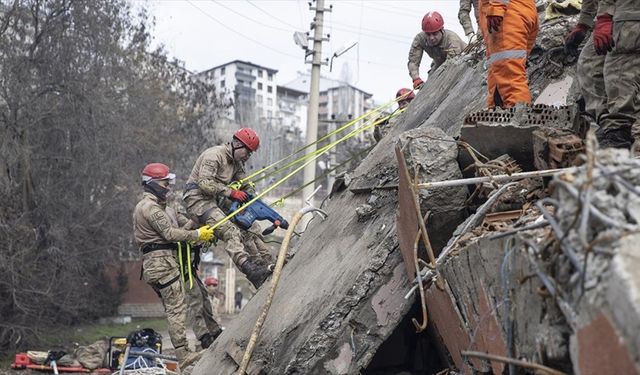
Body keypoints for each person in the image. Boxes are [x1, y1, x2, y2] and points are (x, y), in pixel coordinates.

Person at [132, 163, 213, 371]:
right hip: (162, 263)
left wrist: (197, 223)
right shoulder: (149, 208)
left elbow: (179, 228)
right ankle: (183, 354)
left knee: (175, 306)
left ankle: (183, 351)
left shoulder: (163, 208)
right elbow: (169, 234)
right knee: (177, 309)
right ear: (152, 184)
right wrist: (196, 235)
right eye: (165, 182)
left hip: (160, 263)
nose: (168, 186)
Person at [183, 128, 272, 288]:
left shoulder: (237, 163)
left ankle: (266, 262)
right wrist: (231, 192)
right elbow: (204, 184)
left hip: (217, 199)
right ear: (237, 144)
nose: (248, 156)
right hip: (198, 199)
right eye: (247, 152)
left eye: (251, 154)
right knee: (230, 231)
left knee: (249, 223)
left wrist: (252, 199)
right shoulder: (214, 155)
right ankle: (251, 271)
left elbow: (245, 183)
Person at [166, 197, 224, 350]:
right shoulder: (164, 217)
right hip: (179, 266)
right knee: (195, 299)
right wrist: (196, 230)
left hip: (188, 266)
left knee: (204, 297)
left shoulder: (174, 213)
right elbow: (181, 233)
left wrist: (201, 230)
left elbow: (187, 226)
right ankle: (203, 336)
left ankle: (214, 330)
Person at [590, 0, 640, 150]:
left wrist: (604, 17)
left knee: (619, 74)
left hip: (630, 19)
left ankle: (617, 137)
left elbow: (516, 58)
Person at [479, 0, 538, 108]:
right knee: (499, 71)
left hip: (506, 18)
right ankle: (496, 112)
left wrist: (496, 8)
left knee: (510, 77)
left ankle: (519, 119)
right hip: (522, 10)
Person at [565, 0, 607, 128]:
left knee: (589, 64)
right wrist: (583, 24)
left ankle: (607, 124)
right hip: (622, 14)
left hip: (624, 16)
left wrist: (605, 19)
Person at [408, 11, 467, 90]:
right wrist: (416, 78)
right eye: (428, 34)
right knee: (428, 84)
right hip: (439, 63)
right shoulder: (420, 39)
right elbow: (413, 61)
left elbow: (450, 65)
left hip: (461, 62)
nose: (431, 38)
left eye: (435, 33)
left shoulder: (452, 39)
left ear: (441, 30)